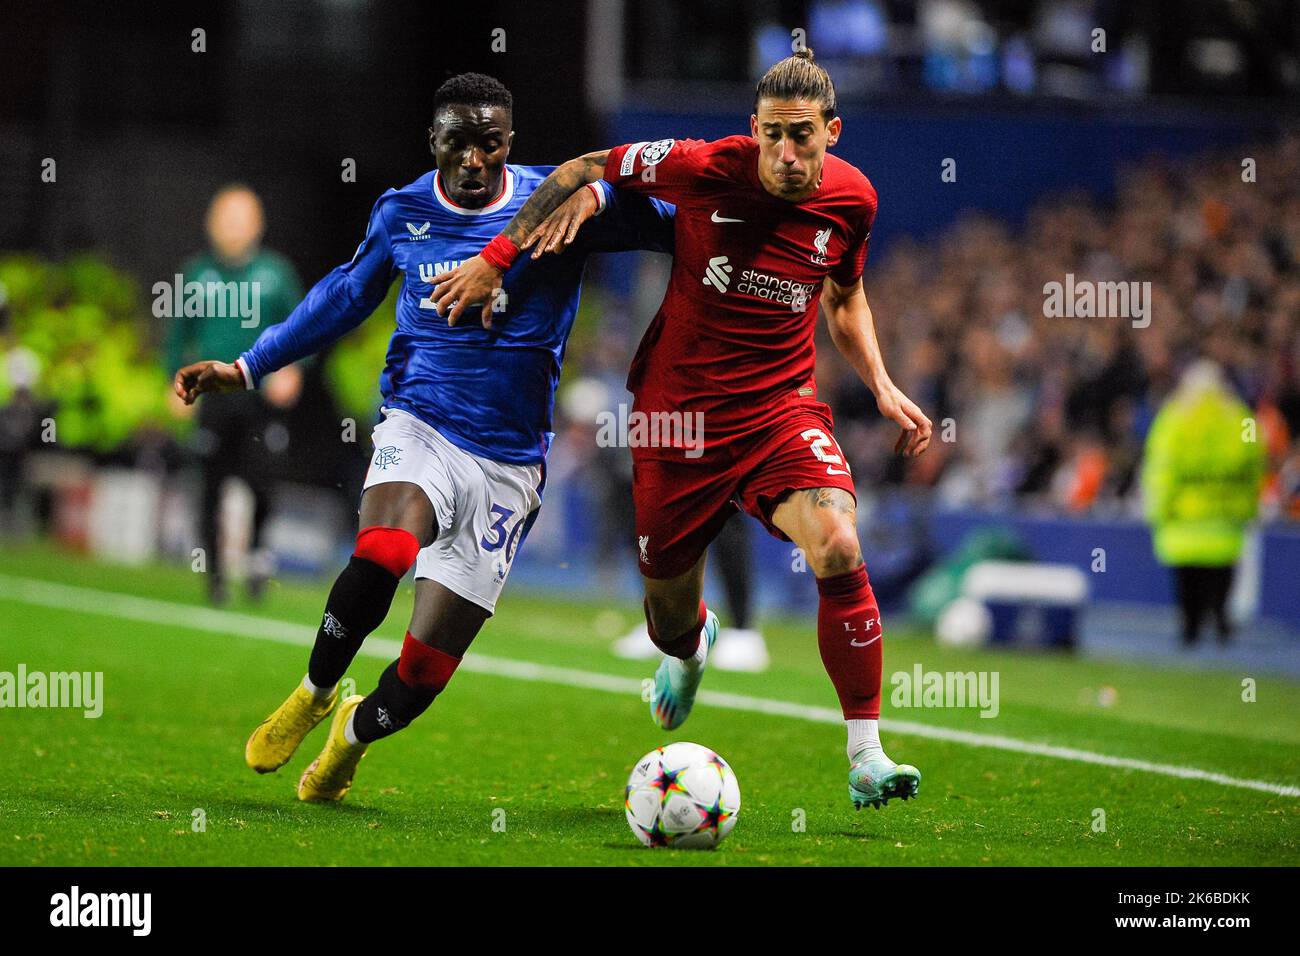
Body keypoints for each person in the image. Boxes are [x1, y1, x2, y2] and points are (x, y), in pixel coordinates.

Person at [431, 51, 933, 811]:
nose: (784, 153)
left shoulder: (853, 201)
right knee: (667, 620)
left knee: (838, 542)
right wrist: (499, 259)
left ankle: (865, 753)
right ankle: (693, 648)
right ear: (752, 130)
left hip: (779, 410)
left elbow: (845, 298)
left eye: (802, 136)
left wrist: (884, 385)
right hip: (676, 420)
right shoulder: (703, 167)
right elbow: (582, 165)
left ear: (832, 132)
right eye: (771, 135)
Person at [174, 73, 674, 803]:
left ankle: (349, 735)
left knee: (420, 677)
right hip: (422, 421)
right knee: (384, 550)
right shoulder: (403, 210)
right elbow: (345, 296)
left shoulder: (558, 206)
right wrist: (250, 365)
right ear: (433, 140)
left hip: (509, 462)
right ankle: (315, 690)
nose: (474, 159)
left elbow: (675, 222)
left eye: (490, 144)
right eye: (458, 142)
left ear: (510, 143)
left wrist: (604, 193)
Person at [166, 184, 304, 603]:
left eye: (242, 218)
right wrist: (173, 384)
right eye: (226, 217)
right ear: (211, 223)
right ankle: (215, 576)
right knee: (209, 485)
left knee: (262, 482)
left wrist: (294, 369)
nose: (233, 227)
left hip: (259, 398)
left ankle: (258, 558)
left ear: (258, 224)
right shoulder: (195, 274)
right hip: (213, 399)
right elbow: (176, 337)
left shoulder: (277, 274)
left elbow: (302, 327)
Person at [1141, 360, 1267, 646]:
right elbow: (1254, 464)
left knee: (1188, 578)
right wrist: (1249, 506)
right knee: (1221, 574)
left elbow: (1162, 467)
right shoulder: (1238, 417)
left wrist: (1158, 507)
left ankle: (1190, 627)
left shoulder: (1175, 417)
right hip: (1225, 516)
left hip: (1184, 517)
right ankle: (1220, 619)